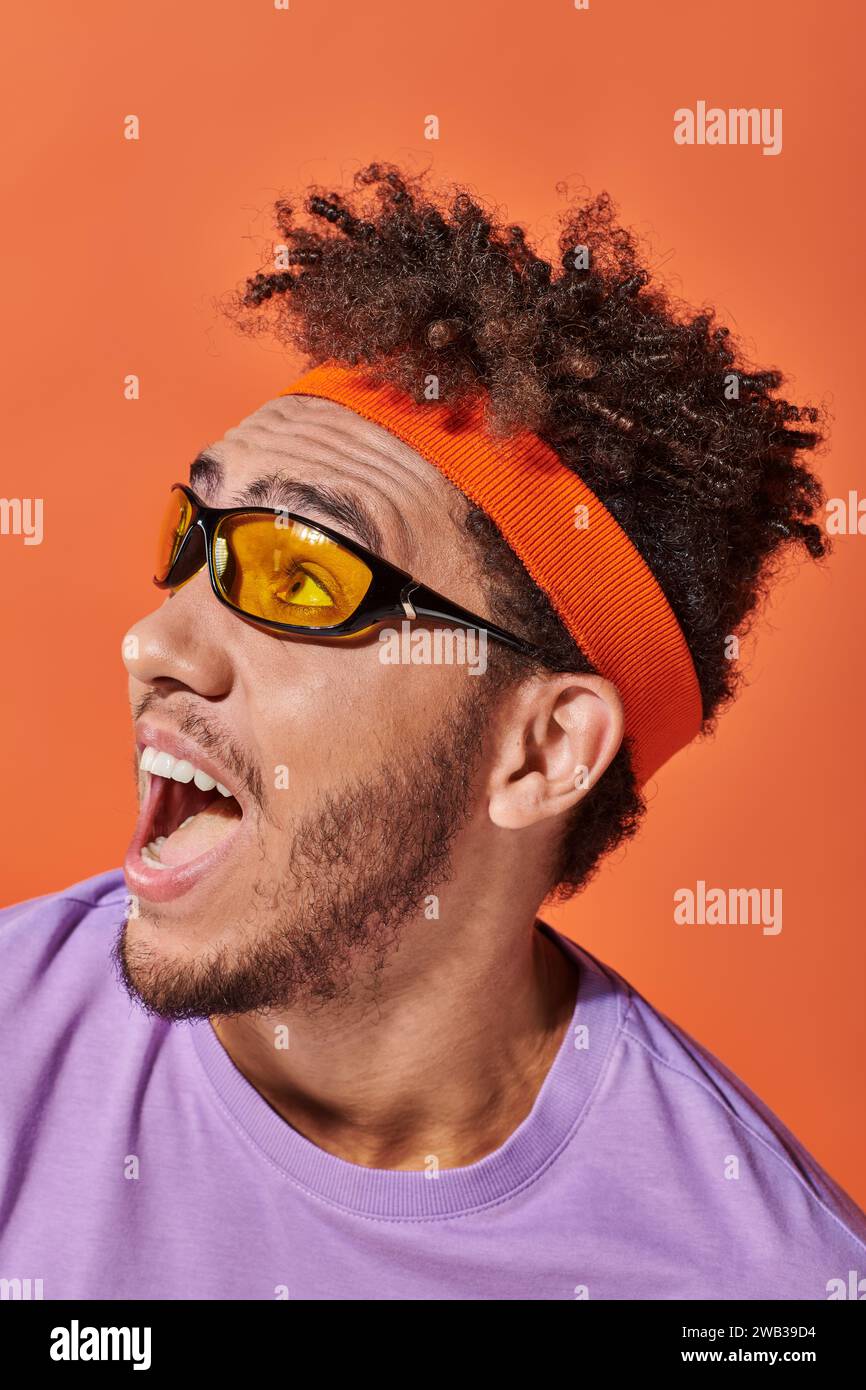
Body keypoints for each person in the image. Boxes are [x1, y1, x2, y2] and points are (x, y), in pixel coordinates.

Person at [1, 162, 863, 1301]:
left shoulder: (764, 1288)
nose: (156, 640)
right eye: (192, 537)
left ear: (542, 750)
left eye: (302, 574)